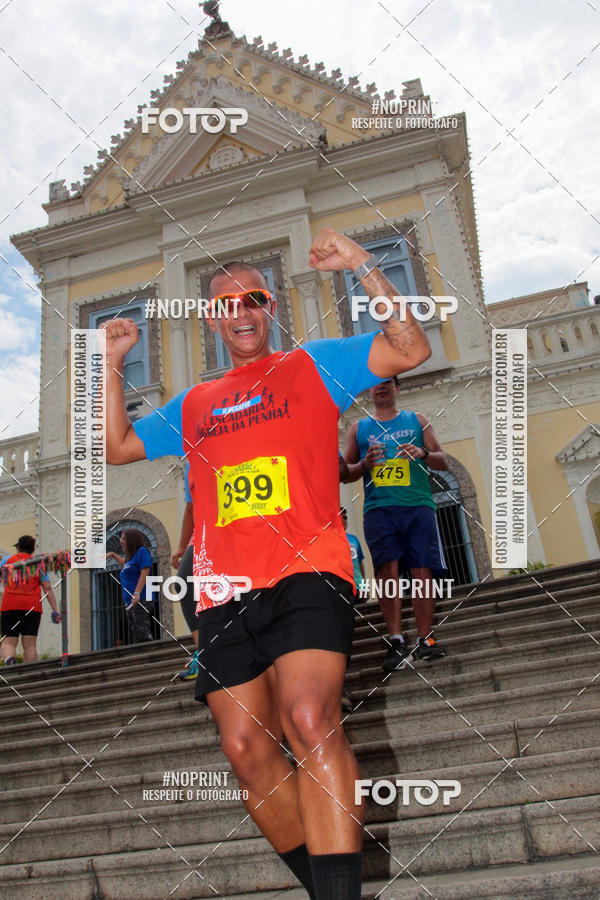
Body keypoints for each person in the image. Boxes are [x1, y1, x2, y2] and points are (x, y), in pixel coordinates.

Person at [103, 227, 431, 899]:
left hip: (309, 568)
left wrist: (363, 266)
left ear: (270, 307)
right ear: (215, 318)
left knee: (309, 718)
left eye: (254, 298)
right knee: (248, 756)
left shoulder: (316, 365)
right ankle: (324, 886)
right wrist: (107, 364)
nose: (242, 310)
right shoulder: (196, 402)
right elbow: (119, 445)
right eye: (228, 302)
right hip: (223, 591)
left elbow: (411, 346)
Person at [343, 376, 449, 671]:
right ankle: (397, 640)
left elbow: (443, 460)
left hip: (418, 505)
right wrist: (365, 464)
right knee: (387, 573)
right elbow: (344, 472)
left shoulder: (417, 420)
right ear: (369, 390)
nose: (380, 387)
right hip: (380, 510)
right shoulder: (358, 428)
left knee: (422, 572)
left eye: (387, 382)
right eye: (374, 382)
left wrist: (422, 453)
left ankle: (426, 639)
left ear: (396, 388)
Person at [0, 535, 61, 666]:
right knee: (30, 644)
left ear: (18, 547)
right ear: (33, 549)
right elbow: (47, 587)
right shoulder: (38, 563)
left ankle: (10, 661)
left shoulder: (7, 560)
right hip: (32, 608)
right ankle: (30, 672)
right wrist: (56, 610)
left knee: (8, 641)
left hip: (11, 605)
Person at [171, 462, 200, 680]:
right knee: (184, 582)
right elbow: (191, 507)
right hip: (204, 532)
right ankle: (205, 655)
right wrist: (181, 547)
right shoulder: (192, 462)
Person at [106, 528, 154, 643]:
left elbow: (145, 572)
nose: (121, 542)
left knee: (143, 634)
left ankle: (148, 657)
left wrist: (136, 594)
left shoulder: (142, 552)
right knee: (137, 633)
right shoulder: (131, 558)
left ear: (131, 540)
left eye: (123, 538)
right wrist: (113, 555)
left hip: (141, 598)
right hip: (130, 601)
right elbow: (127, 566)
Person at [340, 507, 366, 592]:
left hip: (359, 588)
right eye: (341, 517)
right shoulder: (331, 540)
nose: (344, 520)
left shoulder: (354, 539)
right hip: (343, 588)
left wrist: (364, 586)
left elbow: (360, 564)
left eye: (345, 517)